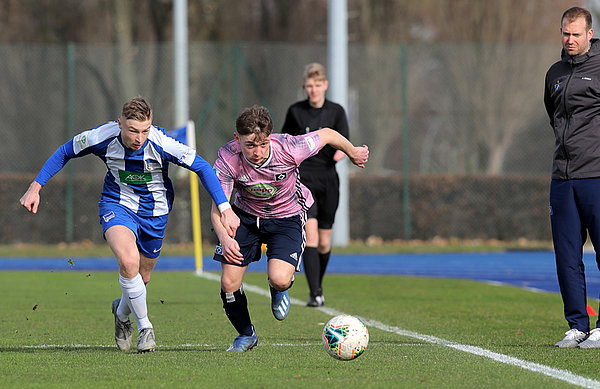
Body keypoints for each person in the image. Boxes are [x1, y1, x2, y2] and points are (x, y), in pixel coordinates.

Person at [19, 97, 239, 353]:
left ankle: (122, 313)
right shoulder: (102, 136)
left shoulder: (161, 142)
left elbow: (201, 166)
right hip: (117, 205)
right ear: (120, 123)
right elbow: (65, 151)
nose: (139, 137)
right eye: (133, 130)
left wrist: (225, 208)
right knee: (128, 261)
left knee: (141, 278)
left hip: (155, 213)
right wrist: (36, 187)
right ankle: (145, 327)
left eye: (145, 130)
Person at [211, 105, 368, 352]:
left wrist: (352, 152)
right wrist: (224, 237)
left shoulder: (290, 147)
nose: (257, 152)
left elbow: (327, 133)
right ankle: (246, 334)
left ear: (271, 137)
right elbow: (218, 209)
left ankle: (278, 288)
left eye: (263, 144)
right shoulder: (228, 158)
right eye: (249, 145)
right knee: (229, 283)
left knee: (280, 279)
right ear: (237, 139)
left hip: (287, 218)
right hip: (245, 217)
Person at [544, 7, 600, 348]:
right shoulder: (555, 73)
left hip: (596, 174)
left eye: (576, 34)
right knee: (567, 255)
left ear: (589, 34)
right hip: (562, 178)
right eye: (566, 33)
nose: (570, 40)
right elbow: (554, 117)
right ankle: (577, 325)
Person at [281, 63, 350, 307]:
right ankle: (315, 293)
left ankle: (318, 285)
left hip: (328, 180)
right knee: (309, 235)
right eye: (309, 86)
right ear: (304, 87)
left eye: (317, 85)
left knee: (324, 241)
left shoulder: (336, 111)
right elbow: (285, 143)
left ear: (325, 85)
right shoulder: (295, 112)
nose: (313, 90)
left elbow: (344, 140)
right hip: (304, 179)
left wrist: (342, 153)